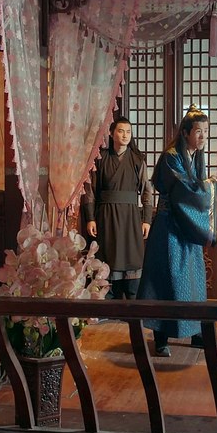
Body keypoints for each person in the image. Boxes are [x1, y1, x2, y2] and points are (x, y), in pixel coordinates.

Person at [137, 105, 217, 357]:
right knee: (166, 281)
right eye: (198, 131)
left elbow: (194, 189)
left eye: (206, 131)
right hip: (169, 228)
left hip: (186, 228)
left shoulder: (195, 156)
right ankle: (161, 337)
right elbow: (185, 191)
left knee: (193, 281)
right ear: (185, 133)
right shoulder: (172, 156)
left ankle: (197, 334)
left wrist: (205, 186)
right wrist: (209, 186)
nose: (203, 136)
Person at [82, 117, 153, 300]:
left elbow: (146, 191)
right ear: (112, 133)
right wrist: (90, 218)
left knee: (132, 257)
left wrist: (146, 219)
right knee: (108, 257)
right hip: (106, 216)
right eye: (121, 131)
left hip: (131, 217)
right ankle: (108, 300)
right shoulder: (100, 159)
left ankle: (132, 302)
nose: (125, 135)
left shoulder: (137, 159)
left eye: (128, 132)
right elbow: (90, 191)